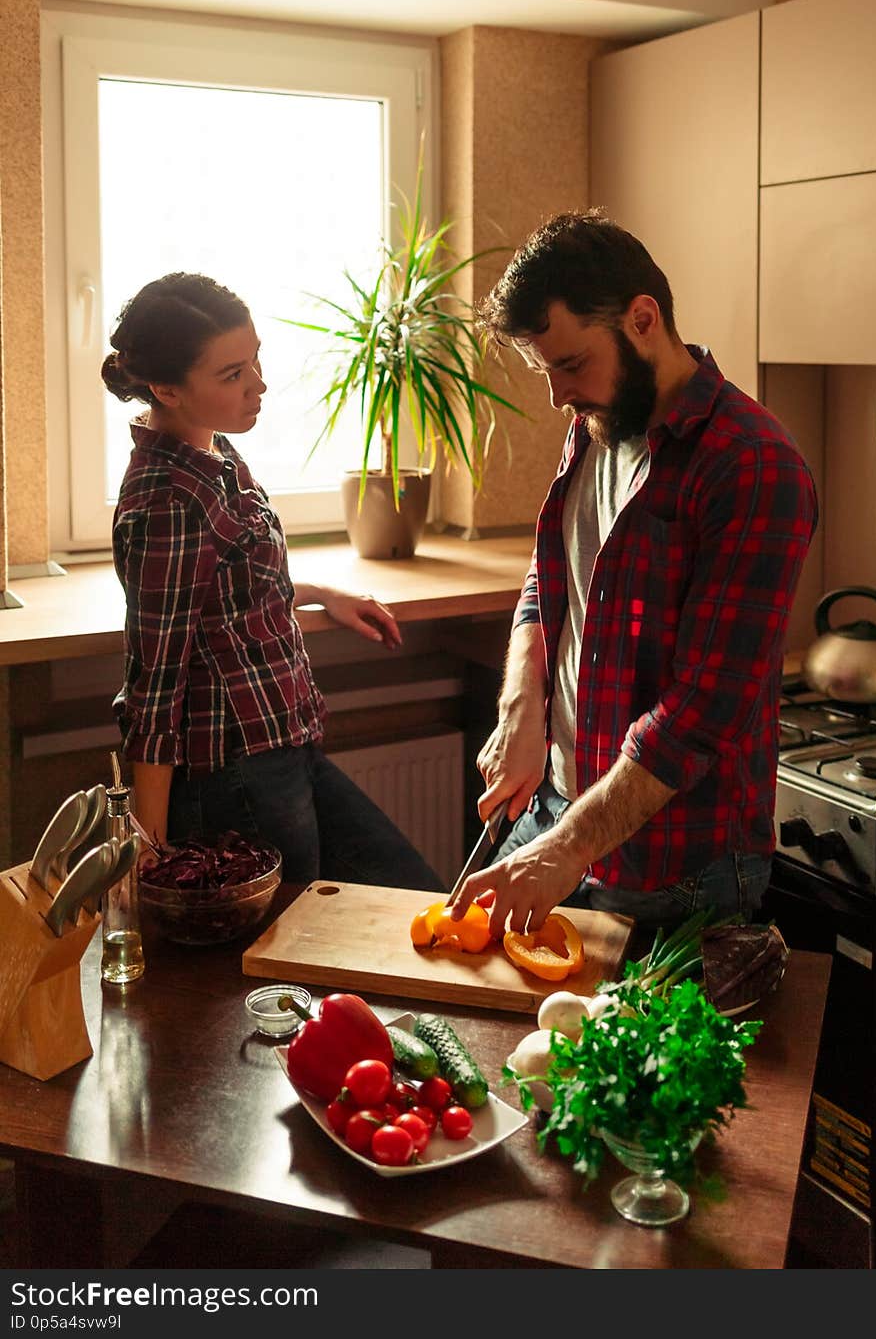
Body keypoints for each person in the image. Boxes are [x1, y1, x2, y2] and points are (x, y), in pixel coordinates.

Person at [450, 210, 818, 941]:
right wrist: (522, 707)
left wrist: (566, 847)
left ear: (643, 320)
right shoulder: (598, 423)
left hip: (674, 865)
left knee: (630, 1060)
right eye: (546, 369)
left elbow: (701, 712)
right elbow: (550, 576)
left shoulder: (753, 466)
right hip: (558, 811)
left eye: (570, 364)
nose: (557, 395)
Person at [104, 271, 441, 891]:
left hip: (284, 746)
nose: (258, 385)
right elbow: (154, 684)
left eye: (254, 359)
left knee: (410, 896)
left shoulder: (215, 453)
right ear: (165, 388)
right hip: (237, 773)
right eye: (232, 375)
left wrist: (318, 595)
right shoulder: (166, 502)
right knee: (287, 958)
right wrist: (146, 850)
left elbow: (227, 587)